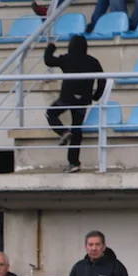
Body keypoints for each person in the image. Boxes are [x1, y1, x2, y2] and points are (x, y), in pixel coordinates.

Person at [44, 35, 105, 174]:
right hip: (83, 100)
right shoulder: (92, 61)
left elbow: (48, 61)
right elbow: (102, 80)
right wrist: (96, 95)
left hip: (67, 97)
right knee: (77, 129)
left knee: (51, 113)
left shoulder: (67, 59)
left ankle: (63, 132)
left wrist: (51, 46)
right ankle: (74, 163)